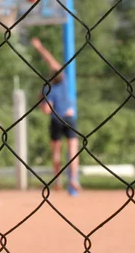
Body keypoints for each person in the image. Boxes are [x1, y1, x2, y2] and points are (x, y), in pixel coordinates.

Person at [30, 37, 81, 196]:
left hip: (56, 120)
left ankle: (58, 179)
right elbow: (50, 60)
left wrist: (40, 101)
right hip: (69, 117)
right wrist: (40, 47)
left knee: (56, 151)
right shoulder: (64, 81)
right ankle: (73, 178)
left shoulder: (48, 89)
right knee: (72, 150)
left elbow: (46, 111)